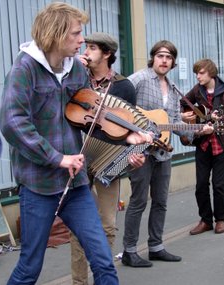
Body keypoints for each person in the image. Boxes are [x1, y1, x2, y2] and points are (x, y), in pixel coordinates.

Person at [0, 3, 153, 285]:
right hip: (38, 185)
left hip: (75, 184)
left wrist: (128, 137)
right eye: (76, 33)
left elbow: (92, 118)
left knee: (104, 261)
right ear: (56, 34)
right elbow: (12, 122)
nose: (82, 40)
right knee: (29, 268)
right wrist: (57, 158)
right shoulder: (25, 68)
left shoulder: (76, 70)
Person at [121, 40, 214, 267]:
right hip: (140, 151)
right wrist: (135, 129)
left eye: (169, 57)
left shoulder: (173, 89)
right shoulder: (139, 79)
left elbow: (172, 122)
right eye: (160, 56)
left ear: (173, 62)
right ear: (153, 58)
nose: (164, 60)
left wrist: (198, 130)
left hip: (163, 153)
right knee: (138, 201)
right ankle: (129, 251)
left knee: (161, 201)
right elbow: (119, 104)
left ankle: (156, 246)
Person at [70, 32, 145, 285]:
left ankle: (103, 278)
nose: (86, 51)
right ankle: (78, 282)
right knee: (77, 228)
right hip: (78, 160)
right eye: (86, 47)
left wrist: (133, 156)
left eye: (92, 48)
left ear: (107, 53)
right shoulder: (76, 79)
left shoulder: (124, 86)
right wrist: (72, 73)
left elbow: (130, 131)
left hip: (107, 163)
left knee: (107, 225)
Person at [180, 58, 224, 235]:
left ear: (211, 73)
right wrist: (189, 117)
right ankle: (205, 220)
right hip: (203, 144)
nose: (198, 76)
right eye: (196, 73)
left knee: (218, 184)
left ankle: (220, 220)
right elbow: (184, 102)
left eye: (201, 73)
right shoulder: (198, 90)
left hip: (223, 144)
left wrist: (217, 119)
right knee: (200, 185)